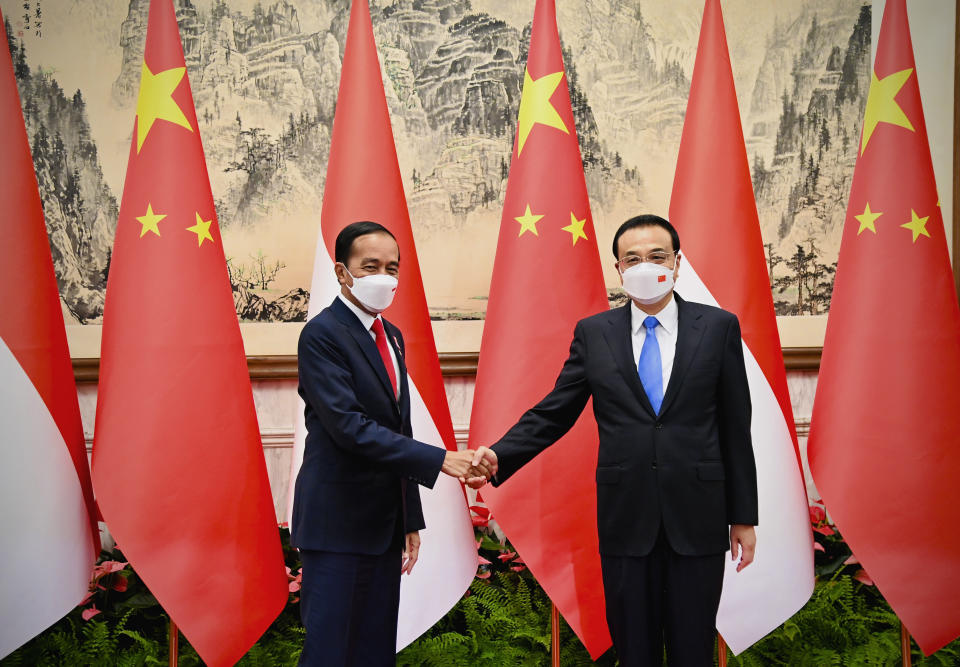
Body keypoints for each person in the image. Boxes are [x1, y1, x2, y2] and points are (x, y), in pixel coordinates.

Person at [468, 214, 758, 666]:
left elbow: (736, 426)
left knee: (692, 649)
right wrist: (499, 455)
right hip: (627, 517)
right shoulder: (595, 333)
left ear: (677, 263)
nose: (646, 267)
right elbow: (555, 411)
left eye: (657, 257)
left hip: (699, 513)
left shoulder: (718, 327)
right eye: (633, 259)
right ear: (619, 269)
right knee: (634, 649)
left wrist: (743, 515)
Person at [292, 220, 492, 666]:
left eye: (391, 267)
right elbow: (350, 428)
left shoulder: (392, 337)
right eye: (370, 267)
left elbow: (398, 429)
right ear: (343, 273)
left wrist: (409, 518)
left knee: (373, 650)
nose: (384, 277)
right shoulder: (322, 336)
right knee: (331, 652)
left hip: (383, 526)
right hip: (337, 524)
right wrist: (442, 460)